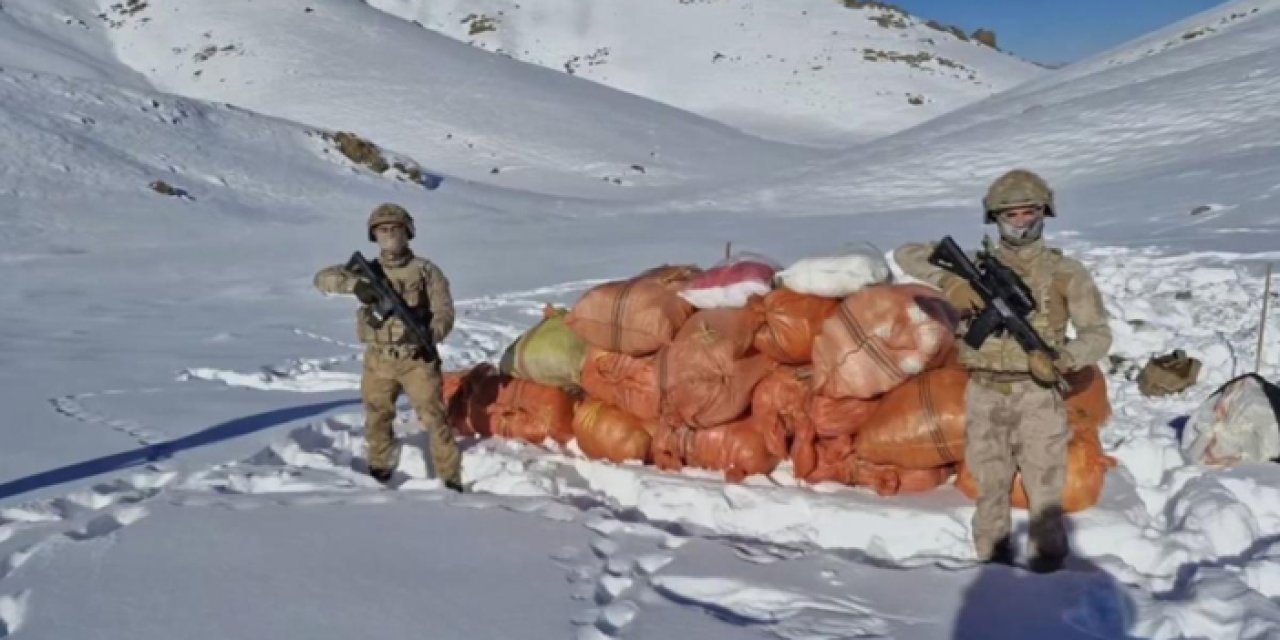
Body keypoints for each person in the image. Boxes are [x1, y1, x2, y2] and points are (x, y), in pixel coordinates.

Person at [894, 169, 1112, 573]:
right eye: (1010, 215)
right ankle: (991, 567)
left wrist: (1061, 359)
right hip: (985, 390)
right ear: (995, 218)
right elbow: (907, 253)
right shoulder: (975, 266)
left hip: (1037, 393)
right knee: (989, 484)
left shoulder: (1066, 273)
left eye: (1029, 212)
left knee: (1046, 490)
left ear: (1044, 213)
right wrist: (954, 284)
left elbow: (1098, 335)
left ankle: (1050, 569)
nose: (1021, 222)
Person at [314, 203, 462, 491]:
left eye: (396, 229)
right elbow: (322, 279)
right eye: (383, 230)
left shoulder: (426, 271)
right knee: (377, 414)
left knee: (435, 418)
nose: (390, 235)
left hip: (416, 358)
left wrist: (432, 334)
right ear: (373, 235)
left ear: (408, 233)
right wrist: (355, 287)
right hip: (378, 359)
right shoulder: (366, 272)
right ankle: (380, 466)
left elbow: (444, 310)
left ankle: (450, 477)